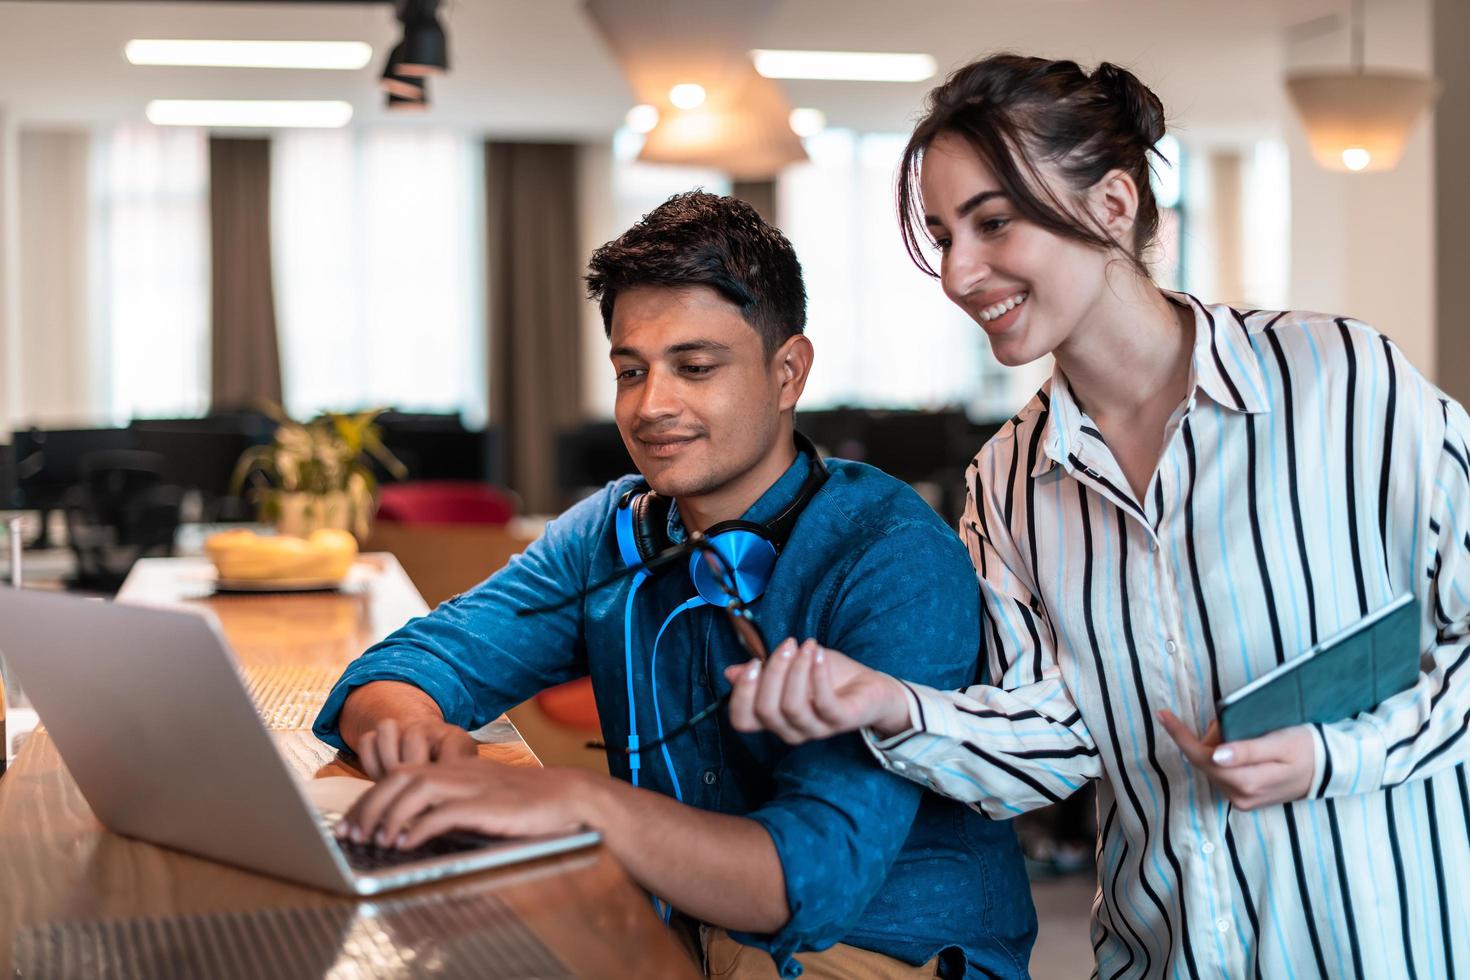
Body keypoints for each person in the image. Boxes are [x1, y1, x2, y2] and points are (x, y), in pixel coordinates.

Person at [725, 54, 1470, 979]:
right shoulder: (1006, 479)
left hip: (1392, 946)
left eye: (992, 223)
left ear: (1114, 206)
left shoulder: (1344, 382)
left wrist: (1334, 757)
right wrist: (883, 702)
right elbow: (1050, 746)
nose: (958, 272)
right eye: (942, 234)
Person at [313, 191, 1035, 979]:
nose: (652, 406)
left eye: (694, 368)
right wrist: (408, 729)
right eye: (631, 371)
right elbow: (409, 666)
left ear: (788, 372)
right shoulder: (615, 530)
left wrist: (582, 806)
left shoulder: (892, 556)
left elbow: (810, 883)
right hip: (674, 915)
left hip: (873, 945)